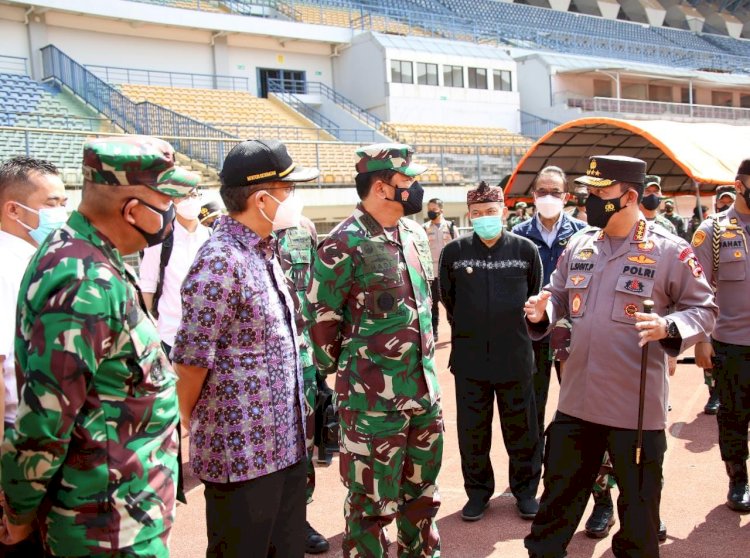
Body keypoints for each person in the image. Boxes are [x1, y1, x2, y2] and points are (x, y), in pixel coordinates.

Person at [0, 136, 193, 555]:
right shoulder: (83, 279)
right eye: (166, 200)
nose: (170, 213)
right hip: (105, 526)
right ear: (133, 210)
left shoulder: (93, 256)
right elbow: (45, 423)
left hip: (123, 510)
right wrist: (18, 515)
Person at [523, 154, 717, 558]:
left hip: (635, 407)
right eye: (588, 190)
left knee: (639, 516)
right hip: (577, 402)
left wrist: (670, 327)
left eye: (599, 191)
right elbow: (558, 293)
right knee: (555, 507)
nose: (589, 199)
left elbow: (705, 308)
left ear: (629, 196)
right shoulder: (579, 243)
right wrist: (546, 310)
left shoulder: (669, 250)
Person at [171, 139, 317, 557]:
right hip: (241, 458)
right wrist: (184, 427)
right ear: (262, 198)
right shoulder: (220, 261)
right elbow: (191, 362)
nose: (294, 199)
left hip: (284, 448)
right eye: (288, 190)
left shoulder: (264, 251)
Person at [306, 143, 442, 557]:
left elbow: (425, 309)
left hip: (424, 394)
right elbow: (321, 321)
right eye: (408, 181)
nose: (416, 188)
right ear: (383, 187)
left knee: (422, 499)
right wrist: (345, 371)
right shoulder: (342, 242)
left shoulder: (415, 235)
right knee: (370, 506)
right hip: (371, 404)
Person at [440, 181, 543, 522]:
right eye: (478, 213)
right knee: (473, 432)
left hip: (514, 355)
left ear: (504, 212)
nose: (485, 218)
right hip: (470, 359)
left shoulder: (525, 250)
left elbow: (534, 295)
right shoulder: (454, 253)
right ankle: (478, 494)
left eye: (491, 212)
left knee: (522, 430)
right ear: (469, 215)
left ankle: (525, 492)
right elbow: (448, 299)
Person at [0, 156, 67, 557]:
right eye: (53, 202)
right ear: (13, 208)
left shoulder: (32, 257)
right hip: (18, 446)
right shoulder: (10, 266)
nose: (64, 212)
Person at [692, 161, 750, 512]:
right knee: (734, 415)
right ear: (740, 185)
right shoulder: (712, 230)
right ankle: (738, 479)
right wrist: (702, 337)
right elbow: (697, 290)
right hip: (731, 343)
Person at [512, 166, 587, 441]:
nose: (548, 197)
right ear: (533, 196)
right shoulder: (518, 235)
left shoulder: (583, 234)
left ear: (566, 197)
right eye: (542, 191)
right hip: (534, 328)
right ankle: (532, 464)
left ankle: (573, 464)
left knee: (578, 400)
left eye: (555, 192)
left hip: (573, 328)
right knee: (532, 401)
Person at [275, 213, 330, 554]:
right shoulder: (232, 234)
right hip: (258, 365)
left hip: (303, 355)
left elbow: (317, 289)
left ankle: (298, 518)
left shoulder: (304, 227)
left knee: (304, 442)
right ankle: (270, 522)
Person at [140, 187, 210, 355]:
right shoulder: (160, 240)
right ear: (172, 200)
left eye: (194, 195)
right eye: (183, 197)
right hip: (171, 335)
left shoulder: (212, 237)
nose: (190, 200)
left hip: (210, 337)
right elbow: (148, 286)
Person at [424, 197, 458, 342]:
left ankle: (455, 330)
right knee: (433, 306)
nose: (431, 212)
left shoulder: (451, 227)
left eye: (434, 209)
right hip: (431, 274)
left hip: (448, 273)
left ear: (441, 210)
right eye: (429, 210)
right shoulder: (424, 228)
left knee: (451, 303)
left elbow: (458, 249)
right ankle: (434, 332)